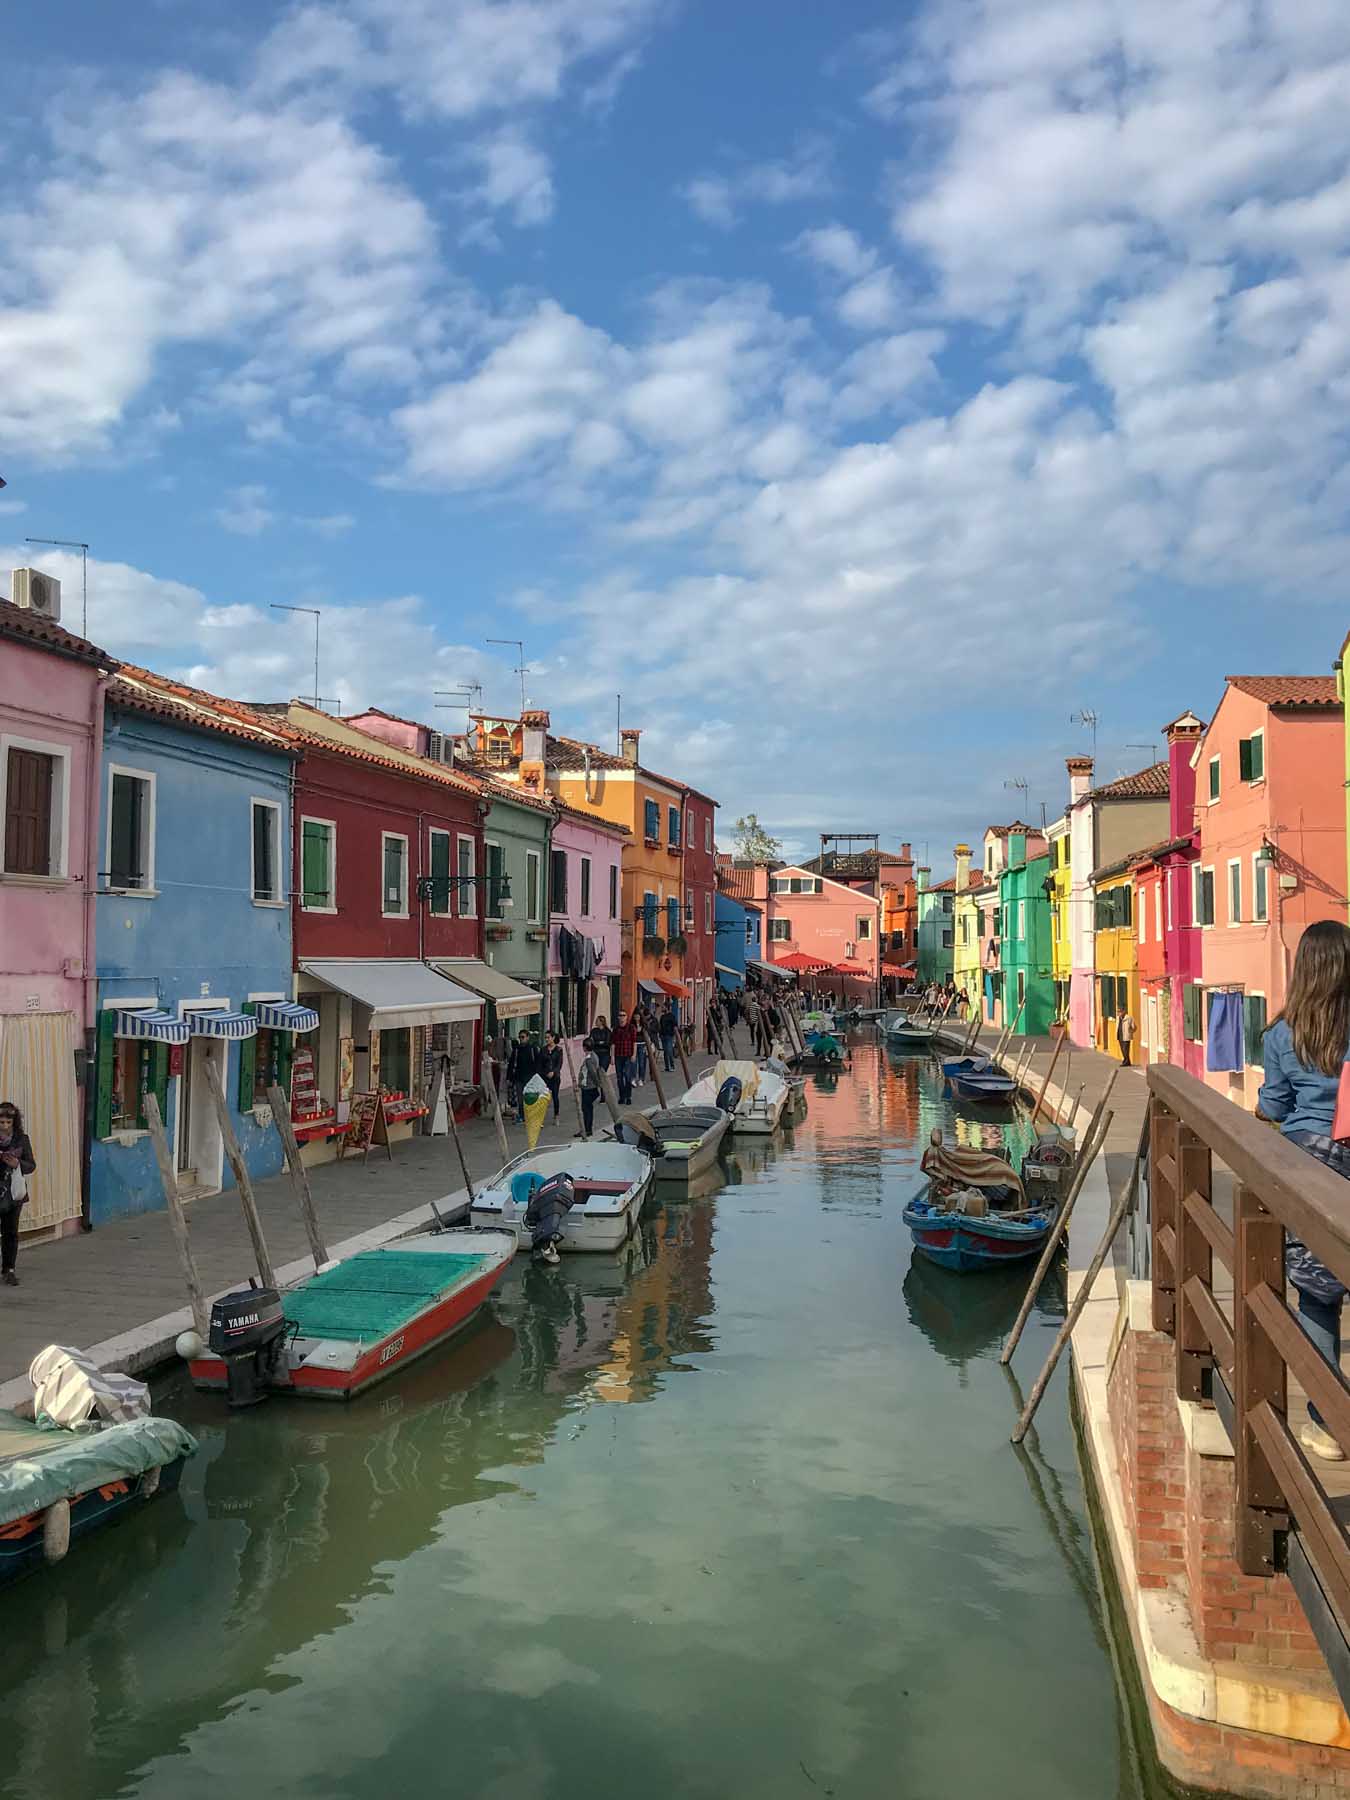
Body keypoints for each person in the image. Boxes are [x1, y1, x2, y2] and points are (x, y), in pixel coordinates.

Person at [1258, 921, 1350, 1461]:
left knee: (1317, 1295)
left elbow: (1272, 1106)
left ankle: (1329, 1424)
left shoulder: (1281, 1033)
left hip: (1305, 1163)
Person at [0, 1102, 35, 1287]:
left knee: (10, 1231)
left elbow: (31, 1165)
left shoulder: (22, 1139)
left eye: (8, 1122)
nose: (4, 1126)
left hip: (13, 1192)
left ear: (14, 1122)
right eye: (2, 1122)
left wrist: (17, 1164)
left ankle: (9, 1269)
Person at [507, 1030, 539, 1123]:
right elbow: (512, 1064)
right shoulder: (516, 1050)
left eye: (523, 1037)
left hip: (530, 1078)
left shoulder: (533, 1049)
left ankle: (531, 1116)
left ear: (528, 1037)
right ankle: (522, 1115)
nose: (521, 1039)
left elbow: (537, 1063)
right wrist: (509, 1077)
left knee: (530, 1098)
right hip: (518, 1077)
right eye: (520, 1037)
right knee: (520, 1098)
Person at [575, 1037, 602, 1140]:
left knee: (586, 1109)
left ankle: (587, 1129)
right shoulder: (593, 1056)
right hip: (589, 1086)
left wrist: (597, 1084)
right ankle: (587, 1128)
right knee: (587, 1109)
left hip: (588, 1087)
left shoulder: (589, 1059)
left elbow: (593, 1073)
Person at [613, 1008, 638, 1106]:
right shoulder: (616, 1029)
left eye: (623, 1015)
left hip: (628, 1055)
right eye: (620, 1015)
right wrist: (612, 1056)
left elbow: (634, 1042)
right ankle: (621, 1097)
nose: (622, 1017)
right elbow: (613, 1043)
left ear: (627, 1017)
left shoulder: (631, 1028)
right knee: (619, 1078)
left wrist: (634, 1055)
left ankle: (628, 1096)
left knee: (627, 1077)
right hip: (618, 1055)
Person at [541, 1032, 563, 1120]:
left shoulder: (558, 1050)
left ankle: (556, 1114)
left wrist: (553, 1072)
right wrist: (543, 1073)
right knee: (542, 1097)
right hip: (544, 1075)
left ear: (553, 1038)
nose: (547, 1039)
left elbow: (559, 1063)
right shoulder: (543, 1050)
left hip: (555, 1076)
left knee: (555, 1095)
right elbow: (540, 1063)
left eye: (548, 1037)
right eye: (545, 1038)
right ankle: (541, 1116)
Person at [658, 1002, 678, 1072]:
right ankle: (667, 1067)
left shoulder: (671, 1016)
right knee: (665, 1052)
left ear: (667, 1007)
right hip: (663, 1036)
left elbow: (675, 1025)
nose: (662, 1008)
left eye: (663, 1007)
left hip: (669, 1035)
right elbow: (660, 1026)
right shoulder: (662, 1016)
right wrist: (660, 1034)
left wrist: (674, 1035)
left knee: (669, 1051)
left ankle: (672, 1066)